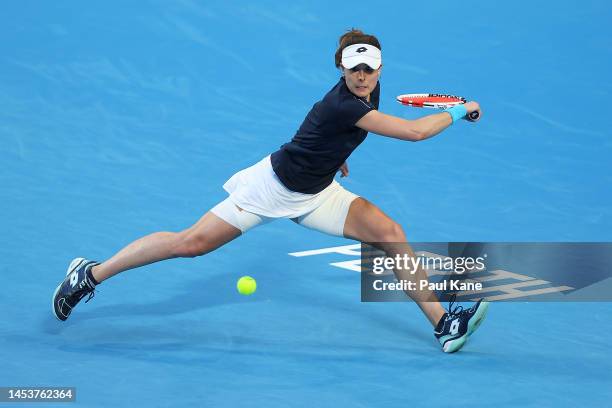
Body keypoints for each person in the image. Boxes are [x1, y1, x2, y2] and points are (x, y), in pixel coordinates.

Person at [52, 29, 488, 353]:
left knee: (390, 234)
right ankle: (89, 274)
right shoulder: (344, 102)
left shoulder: (368, 94)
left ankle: (444, 322)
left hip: (317, 192)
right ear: (341, 68)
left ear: (379, 68)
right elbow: (413, 133)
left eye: (368, 68)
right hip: (271, 188)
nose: (361, 76)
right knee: (190, 244)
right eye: (353, 68)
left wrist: (335, 153)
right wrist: (457, 110)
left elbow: (333, 132)